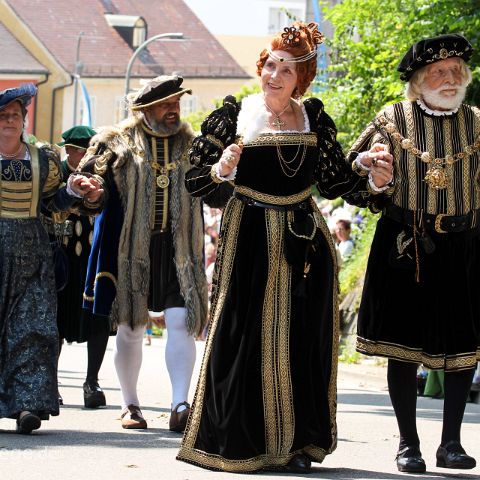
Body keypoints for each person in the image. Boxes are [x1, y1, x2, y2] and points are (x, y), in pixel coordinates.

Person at [177, 22, 393, 473]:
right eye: (270, 65)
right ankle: (242, 442)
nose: (273, 75)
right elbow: (195, 180)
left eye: (286, 70)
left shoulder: (314, 116)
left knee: (303, 339)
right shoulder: (234, 114)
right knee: (244, 336)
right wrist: (221, 168)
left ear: (302, 79)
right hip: (249, 237)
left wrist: (372, 175)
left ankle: (298, 444)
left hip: (303, 241)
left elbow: (336, 180)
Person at [345, 34, 479, 472]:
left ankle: (452, 443)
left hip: (466, 243)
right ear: (419, 80)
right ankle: (408, 444)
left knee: (464, 346)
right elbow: (351, 167)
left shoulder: (478, 122)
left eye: (457, 69)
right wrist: (373, 172)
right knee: (402, 348)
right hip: (406, 243)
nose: (450, 78)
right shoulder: (393, 117)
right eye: (439, 72)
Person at [78, 75, 208, 432]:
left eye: (177, 103)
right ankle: (129, 404)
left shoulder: (193, 144)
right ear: (145, 108)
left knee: (181, 322)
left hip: (178, 247)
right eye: (166, 104)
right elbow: (91, 187)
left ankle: (180, 404)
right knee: (130, 326)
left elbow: (213, 187)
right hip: (129, 247)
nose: (174, 110)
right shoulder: (115, 142)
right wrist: (89, 192)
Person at [0, 84, 102, 434]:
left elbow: (51, 205)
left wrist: (74, 191)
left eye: (15, 114)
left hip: (32, 252)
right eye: (3, 115)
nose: (9, 120)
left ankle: (25, 404)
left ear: (25, 119)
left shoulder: (42, 157)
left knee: (32, 327)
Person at [51, 126, 112, 409]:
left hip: (93, 253)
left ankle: (92, 382)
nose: (71, 153)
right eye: (69, 149)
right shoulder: (56, 173)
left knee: (97, 315)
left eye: (75, 149)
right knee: (55, 318)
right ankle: (50, 381)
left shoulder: (103, 174)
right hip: (61, 254)